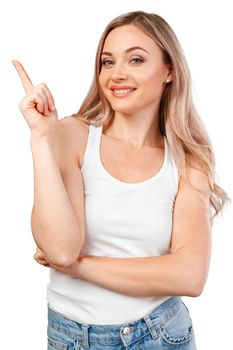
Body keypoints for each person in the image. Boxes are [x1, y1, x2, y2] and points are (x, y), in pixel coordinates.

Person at [13, 10, 229, 350]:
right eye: (108, 61)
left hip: (161, 335)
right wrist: (42, 138)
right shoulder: (72, 135)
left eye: (136, 59)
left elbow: (189, 275)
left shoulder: (189, 160)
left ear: (169, 71)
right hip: (75, 339)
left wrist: (79, 268)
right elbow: (61, 248)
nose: (117, 74)